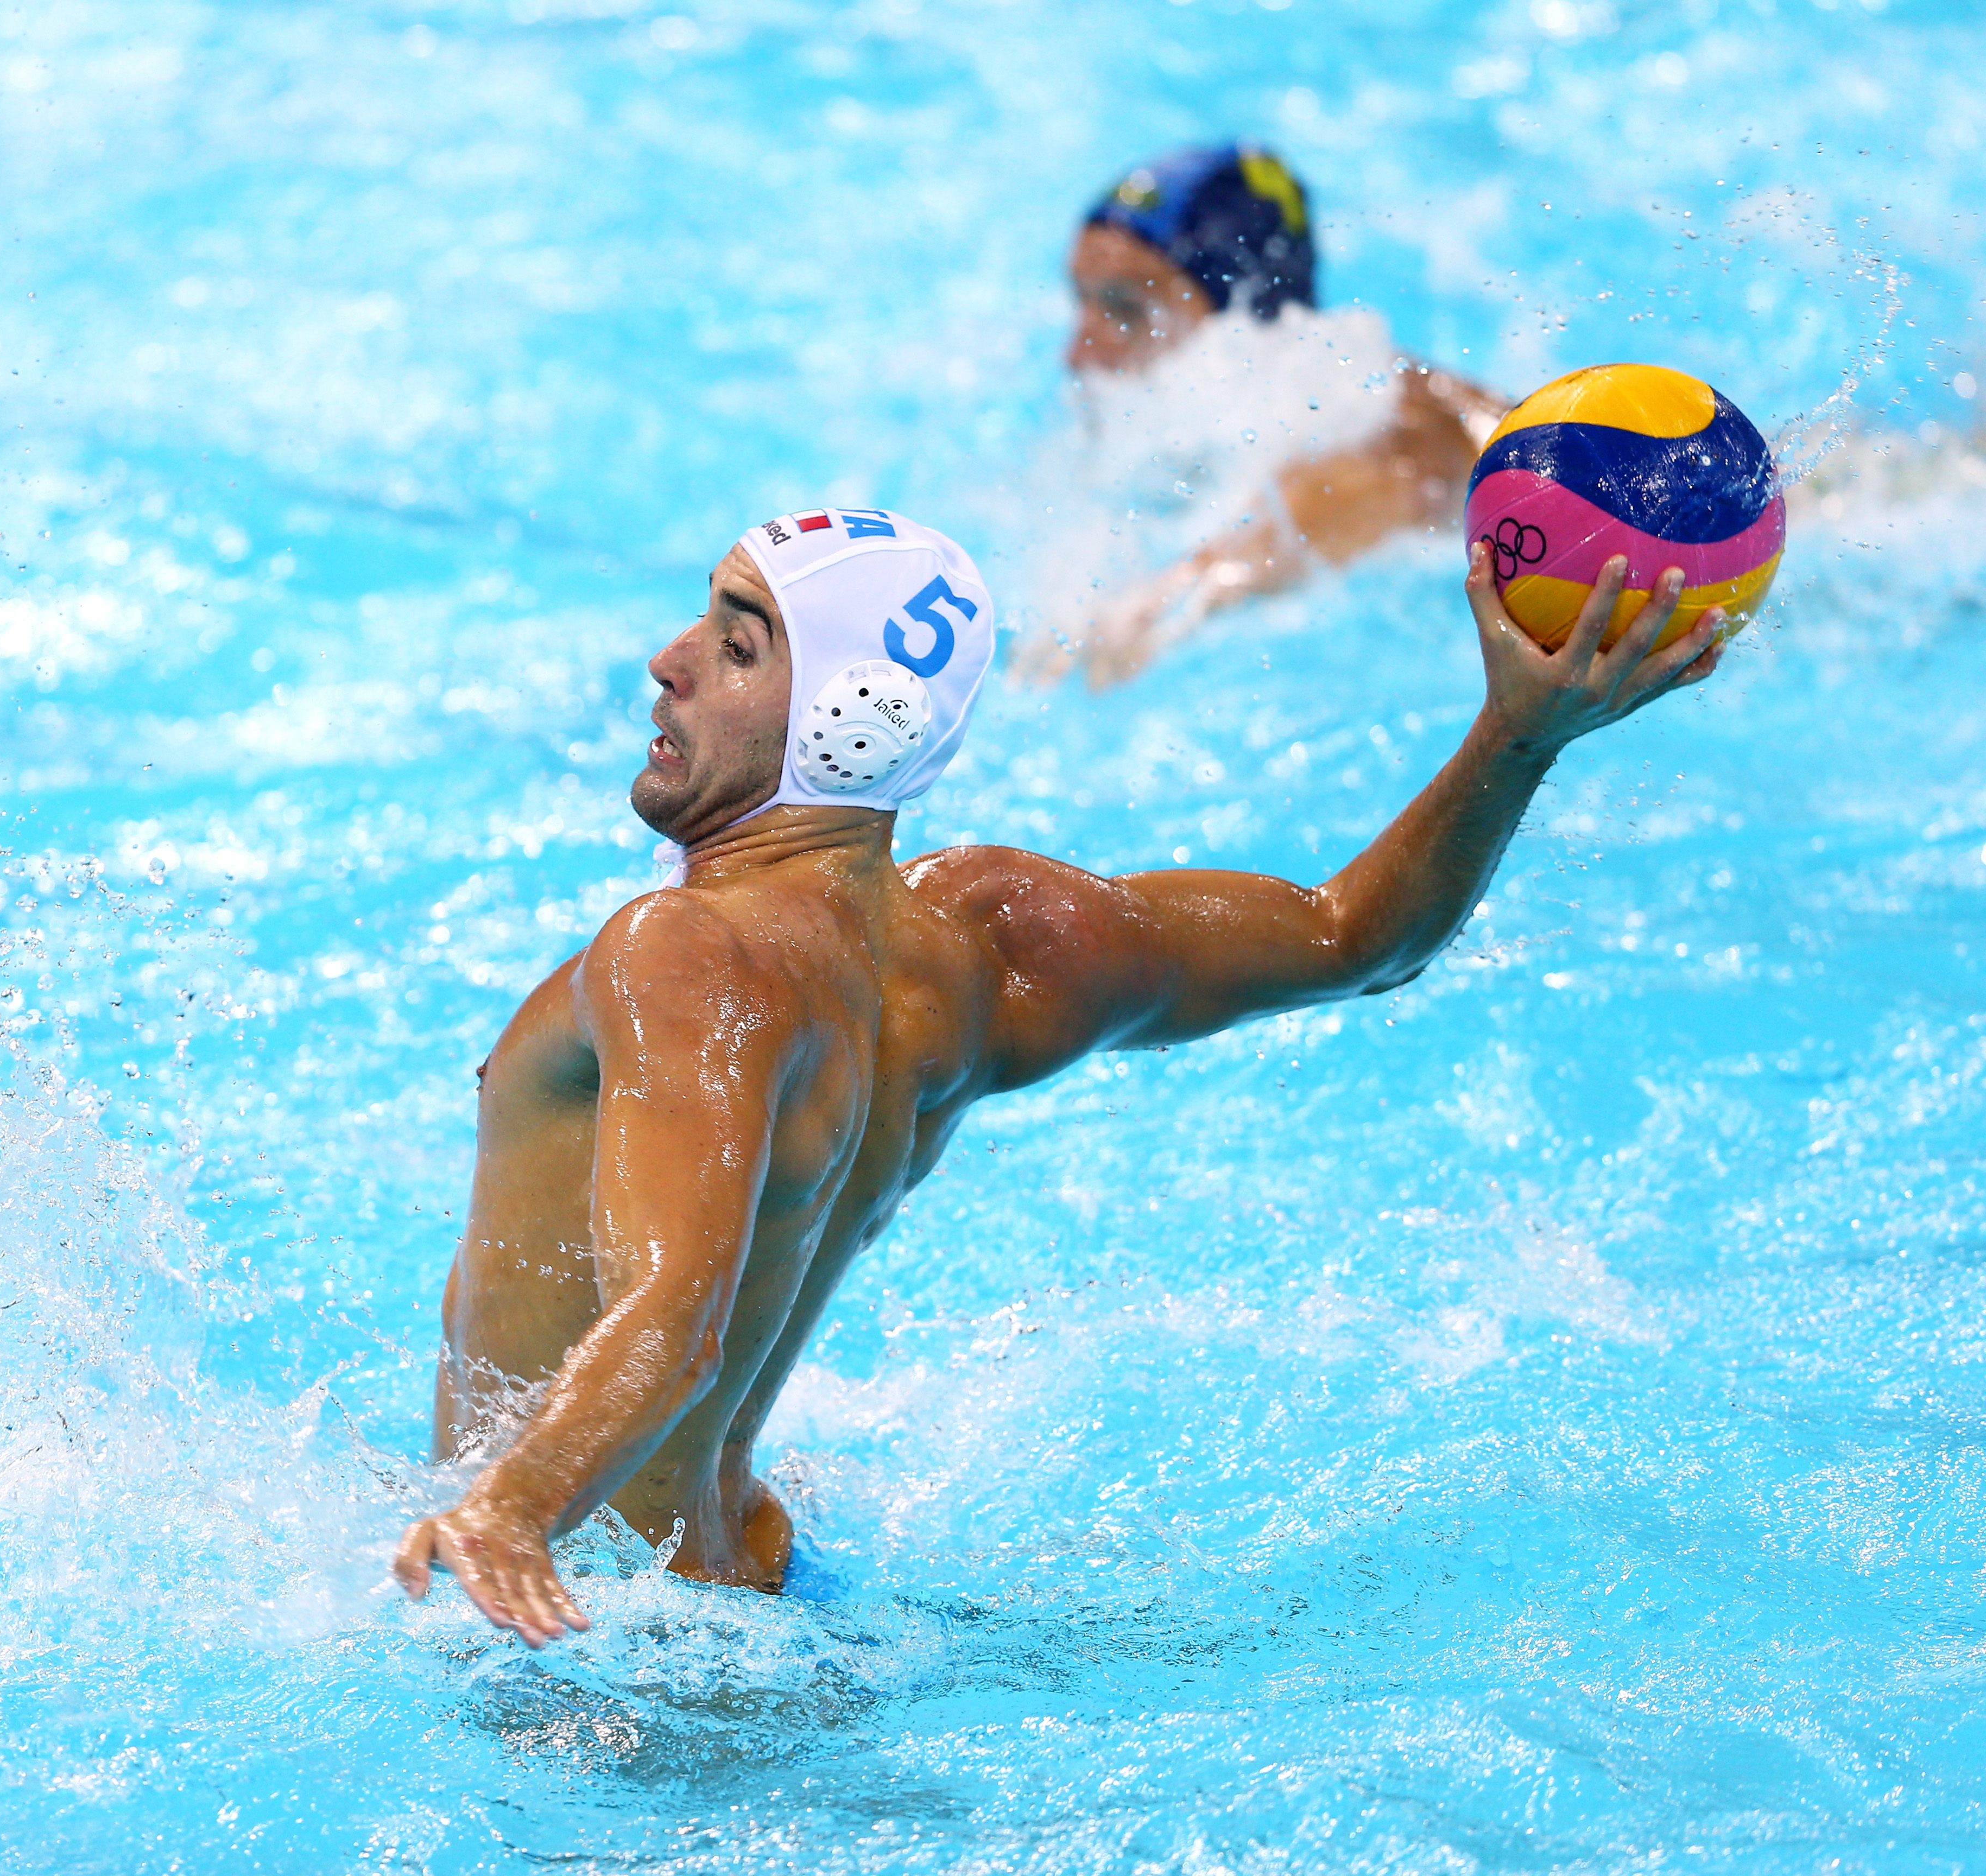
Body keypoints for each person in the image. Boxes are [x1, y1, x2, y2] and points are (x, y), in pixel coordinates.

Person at [393, 504, 1727, 1645]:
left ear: (853, 721)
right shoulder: (979, 949)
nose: (666, 663)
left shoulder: (678, 954)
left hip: (590, 1637)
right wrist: (1519, 732)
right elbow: (1352, 940)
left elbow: (673, 1320)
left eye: (736, 644)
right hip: (762, 1590)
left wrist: (510, 1510)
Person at [1023, 143, 1506, 687]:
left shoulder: (1376, 401)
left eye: (1124, 309)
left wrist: (1190, 588)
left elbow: (1372, 477)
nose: (1078, 353)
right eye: (1082, 302)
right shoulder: (1188, 425)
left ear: (1238, 313)